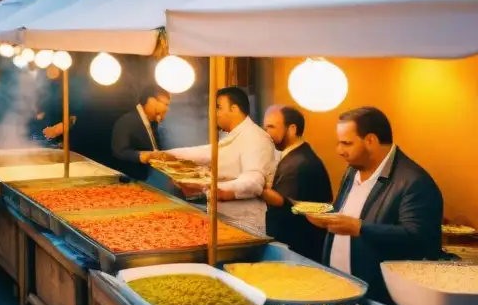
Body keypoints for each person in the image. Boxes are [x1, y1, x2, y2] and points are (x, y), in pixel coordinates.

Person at [307, 107, 443, 303]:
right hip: (339, 289)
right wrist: (327, 219)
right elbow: (345, 215)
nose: (339, 151)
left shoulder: (414, 182)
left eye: (346, 143)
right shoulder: (352, 170)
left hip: (378, 299)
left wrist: (360, 228)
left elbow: (420, 240)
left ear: (370, 140)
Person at [159, 86, 275, 233]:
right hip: (222, 216)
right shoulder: (232, 137)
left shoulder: (255, 137)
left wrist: (214, 188)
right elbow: (206, 153)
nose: (216, 113)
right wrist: (163, 155)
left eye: (219, 107)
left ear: (234, 108)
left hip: (244, 223)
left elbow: (253, 182)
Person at [261, 105, 332, 262]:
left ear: (292, 129)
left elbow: (281, 202)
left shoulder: (300, 162)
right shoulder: (294, 155)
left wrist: (252, 185)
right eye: (265, 127)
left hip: (300, 250)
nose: (266, 133)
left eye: (271, 127)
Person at [111, 87, 172, 180]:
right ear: (152, 101)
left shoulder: (153, 122)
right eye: (166, 104)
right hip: (131, 180)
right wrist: (143, 156)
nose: (167, 109)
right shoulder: (127, 121)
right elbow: (119, 152)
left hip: (152, 179)